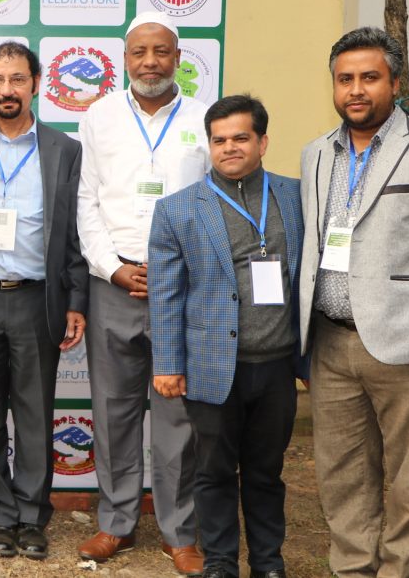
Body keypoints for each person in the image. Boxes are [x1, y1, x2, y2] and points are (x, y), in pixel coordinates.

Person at [300, 27, 409, 577]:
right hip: (331, 346)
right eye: (345, 80)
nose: (356, 90)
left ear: (395, 81)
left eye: (369, 77)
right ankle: (353, 570)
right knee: (342, 479)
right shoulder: (317, 154)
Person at [150, 95, 304, 578]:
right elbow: (167, 295)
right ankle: (219, 563)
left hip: (277, 365)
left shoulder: (296, 197)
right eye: (219, 140)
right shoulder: (177, 210)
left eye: (240, 138)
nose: (229, 148)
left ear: (262, 141)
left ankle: (268, 563)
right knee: (214, 473)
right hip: (213, 366)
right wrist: (168, 364)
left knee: (265, 473)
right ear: (209, 146)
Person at [76, 11, 207, 575]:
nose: (150, 62)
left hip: (184, 287)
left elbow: (215, 204)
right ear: (124, 60)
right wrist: (110, 268)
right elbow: (85, 201)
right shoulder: (98, 116)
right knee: (113, 410)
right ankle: (116, 523)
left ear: (178, 58)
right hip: (115, 284)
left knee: (178, 415)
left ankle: (181, 531)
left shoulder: (207, 118)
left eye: (161, 51)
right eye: (139, 53)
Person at [0, 41, 88, 560]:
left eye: (17, 79)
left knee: (34, 415)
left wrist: (76, 299)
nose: (6, 90)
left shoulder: (64, 149)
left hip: (38, 300)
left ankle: (32, 516)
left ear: (35, 83)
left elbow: (75, 235)